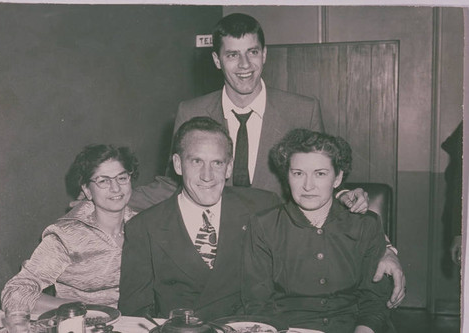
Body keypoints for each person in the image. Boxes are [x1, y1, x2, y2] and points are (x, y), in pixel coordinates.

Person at [132, 12, 405, 308]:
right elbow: (173, 183)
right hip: (218, 253)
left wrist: (386, 248)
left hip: (281, 251)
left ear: (264, 54)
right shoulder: (191, 110)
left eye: (252, 52)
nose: (245, 65)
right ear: (216, 60)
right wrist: (104, 200)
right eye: (232, 55)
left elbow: (319, 179)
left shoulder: (302, 110)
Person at [118, 117, 280, 320]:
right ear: (178, 164)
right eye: (197, 162)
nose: (207, 175)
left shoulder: (263, 207)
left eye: (217, 163)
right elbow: (136, 316)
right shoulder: (144, 228)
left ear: (229, 167)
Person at [242, 129, 392, 333]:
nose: (308, 186)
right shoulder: (264, 225)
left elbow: (374, 300)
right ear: (287, 176)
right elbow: (257, 304)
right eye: (298, 173)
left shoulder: (366, 225)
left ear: (337, 178)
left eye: (320, 174)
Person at [1, 144, 138, 314]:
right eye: (103, 181)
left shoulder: (148, 226)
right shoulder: (66, 236)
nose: (116, 188)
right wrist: (83, 310)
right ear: (87, 190)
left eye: (122, 178)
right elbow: (15, 294)